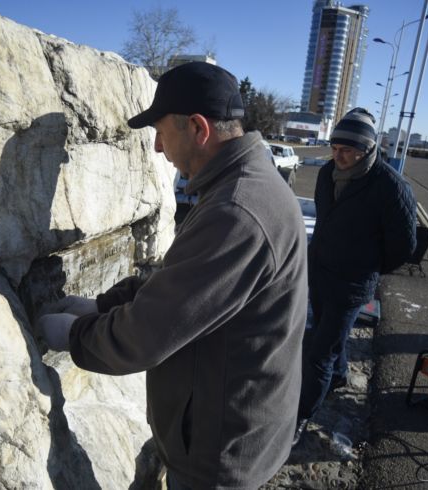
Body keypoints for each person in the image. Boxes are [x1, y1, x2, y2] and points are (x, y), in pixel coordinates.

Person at [36, 62, 308, 489]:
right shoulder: (242, 187)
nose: (160, 149)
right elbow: (186, 283)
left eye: (162, 133)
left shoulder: (237, 211)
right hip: (225, 424)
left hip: (218, 454)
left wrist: (75, 337)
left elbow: (146, 336)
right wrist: (104, 305)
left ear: (198, 129)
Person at [294, 108, 417, 444]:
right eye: (334, 149)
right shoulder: (327, 173)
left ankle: (301, 416)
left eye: (346, 150)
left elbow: (404, 246)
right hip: (320, 273)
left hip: (350, 284)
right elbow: (325, 219)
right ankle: (340, 375)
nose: (338, 156)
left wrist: (368, 267)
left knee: (318, 352)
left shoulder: (389, 186)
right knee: (328, 335)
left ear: (366, 149)